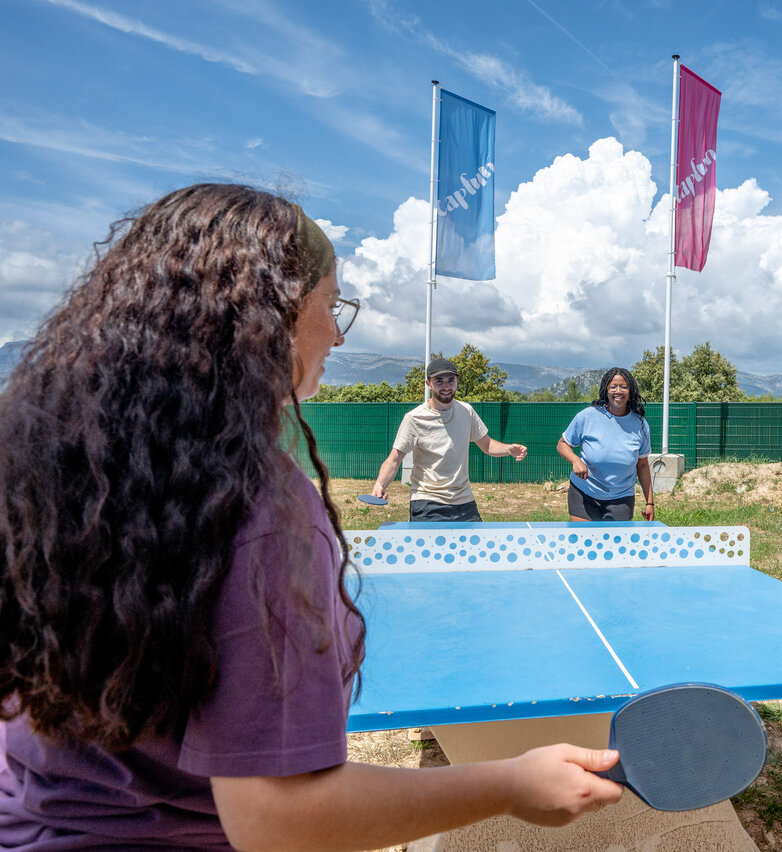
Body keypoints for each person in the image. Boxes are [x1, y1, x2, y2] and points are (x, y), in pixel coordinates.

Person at [0, 184, 622, 850]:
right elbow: (278, 819)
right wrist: (510, 783)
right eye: (332, 303)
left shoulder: (53, 453)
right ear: (266, 317)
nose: (338, 330)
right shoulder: (259, 511)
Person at [370, 357, 527, 523]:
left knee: (474, 548)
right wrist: (380, 485)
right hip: (427, 502)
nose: (446, 386)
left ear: (457, 382)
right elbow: (395, 459)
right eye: (439, 381)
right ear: (428, 384)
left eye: (450, 380)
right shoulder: (414, 419)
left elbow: (487, 445)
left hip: (464, 501)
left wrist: (508, 449)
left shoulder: (467, 411)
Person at [556, 367, 655, 522]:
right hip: (584, 493)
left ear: (630, 391)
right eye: (613, 386)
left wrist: (650, 502)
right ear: (605, 390)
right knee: (584, 543)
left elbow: (642, 465)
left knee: (614, 546)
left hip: (621, 498)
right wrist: (576, 460)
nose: (618, 391)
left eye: (624, 387)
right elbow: (562, 444)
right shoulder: (588, 416)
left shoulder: (640, 424)